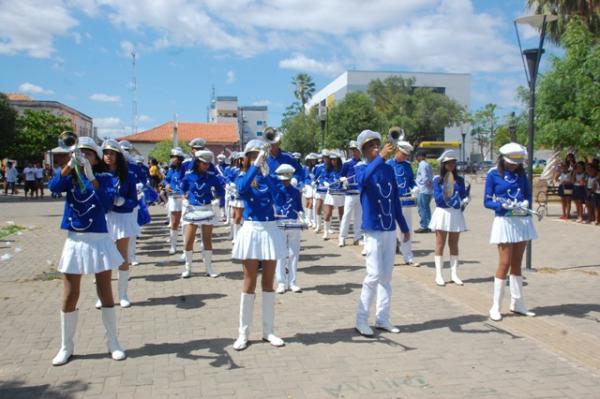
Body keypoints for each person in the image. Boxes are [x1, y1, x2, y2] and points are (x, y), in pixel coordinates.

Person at [48, 137, 126, 365]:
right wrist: (69, 166)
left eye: (88, 154)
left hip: (98, 238)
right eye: (80, 153)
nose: (84, 157)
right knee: (71, 293)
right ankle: (66, 346)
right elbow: (53, 187)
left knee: (105, 291)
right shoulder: (70, 179)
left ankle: (113, 341)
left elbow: (106, 202)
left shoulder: (104, 178)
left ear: (96, 158)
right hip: (75, 239)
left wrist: (91, 176)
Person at [231, 139, 287, 351]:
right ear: (247, 158)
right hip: (252, 229)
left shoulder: (268, 177)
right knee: (249, 281)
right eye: (253, 155)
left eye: (260, 155)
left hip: (270, 229)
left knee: (268, 281)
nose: (258, 158)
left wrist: (267, 173)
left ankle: (268, 331)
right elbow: (242, 190)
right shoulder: (243, 176)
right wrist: (255, 168)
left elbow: (280, 199)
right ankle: (243, 333)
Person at [354, 130, 410, 337]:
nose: (375, 149)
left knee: (386, 277)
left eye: (376, 145)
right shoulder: (362, 168)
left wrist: (403, 227)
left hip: (388, 228)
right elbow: (364, 180)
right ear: (364, 151)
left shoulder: (387, 170)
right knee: (373, 275)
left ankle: (382, 318)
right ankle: (361, 319)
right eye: (370, 147)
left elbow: (395, 200)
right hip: (372, 229)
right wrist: (380, 158)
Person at [484, 142, 537, 321]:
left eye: (517, 163)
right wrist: (501, 205)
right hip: (504, 221)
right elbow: (487, 201)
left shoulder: (522, 174)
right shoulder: (493, 174)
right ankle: (496, 306)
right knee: (504, 262)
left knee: (517, 262)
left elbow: (528, 194)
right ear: (503, 160)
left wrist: (526, 204)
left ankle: (518, 303)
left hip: (521, 220)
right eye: (511, 163)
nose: (514, 166)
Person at [97, 139, 139, 309]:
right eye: (106, 153)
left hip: (122, 218)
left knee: (122, 256)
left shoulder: (128, 176)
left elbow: (134, 201)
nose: (108, 157)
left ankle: (123, 294)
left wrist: (123, 202)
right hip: (103, 217)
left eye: (112, 154)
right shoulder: (97, 174)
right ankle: (103, 295)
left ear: (118, 156)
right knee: (103, 257)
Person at [180, 150, 224, 278]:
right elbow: (182, 188)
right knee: (188, 241)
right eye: (203, 163)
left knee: (207, 240)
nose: (206, 165)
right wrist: (184, 199)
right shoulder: (188, 175)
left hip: (206, 208)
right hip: (192, 209)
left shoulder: (211, 176)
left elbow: (220, 190)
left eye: (207, 163)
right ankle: (188, 269)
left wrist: (217, 199)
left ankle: (209, 268)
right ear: (197, 162)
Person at [429, 150, 469, 286]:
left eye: (453, 162)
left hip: (455, 213)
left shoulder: (460, 180)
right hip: (443, 213)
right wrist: (451, 199)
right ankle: (439, 274)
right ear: (443, 164)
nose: (451, 165)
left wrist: (465, 199)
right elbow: (438, 199)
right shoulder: (437, 180)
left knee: (454, 244)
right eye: (448, 163)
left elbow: (463, 194)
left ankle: (454, 274)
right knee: (440, 243)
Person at [386, 136, 420, 266]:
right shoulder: (388, 164)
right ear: (397, 151)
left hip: (405, 199)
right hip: (391, 200)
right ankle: (390, 258)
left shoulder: (407, 166)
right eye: (403, 154)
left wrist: (415, 187)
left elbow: (411, 181)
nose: (405, 157)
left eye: (406, 155)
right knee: (391, 229)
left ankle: (408, 256)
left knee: (407, 228)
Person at [273, 164, 304, 294]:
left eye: (287, 178)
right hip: (279, 223)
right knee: (280, 254)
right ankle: (281, 282)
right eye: (282, 178)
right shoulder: (275, 190)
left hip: (293, 223)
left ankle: (292, 282)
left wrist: (302, 215)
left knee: (293, 254)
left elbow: (299, 207)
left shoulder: (296, 191)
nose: (285, 181)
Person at [338, 141, 363, 247]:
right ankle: (342, 237)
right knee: (346, 215)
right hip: (350, 193)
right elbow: (341, 176)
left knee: (359, 216)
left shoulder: (364, 163)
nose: (354, 152)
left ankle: (357, 237)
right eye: (352, 150)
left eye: (356, 150)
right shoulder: (347, 163)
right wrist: (343, 180)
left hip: (360, 193)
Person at [163, 148, 186, 254]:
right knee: (175, 222)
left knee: (185, 222)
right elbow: (166, 179)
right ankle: (173, 245)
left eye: (174, 157)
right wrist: (166, 184)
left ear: (180, 158)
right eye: (171, 157)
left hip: (184, 197)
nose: (172, 159)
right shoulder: (171, 169)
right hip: (173, 197)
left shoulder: (185, 168)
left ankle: (186, 247)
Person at [321, 150, 345, 240]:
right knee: (327, 213)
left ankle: (341, 232)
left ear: (338, 160)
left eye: (335, 160)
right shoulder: (328, 169)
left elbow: (347, 177)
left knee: (341, 213)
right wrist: (325, 183)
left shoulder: (342, 168)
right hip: (330, 192)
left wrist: (344, 180)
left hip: (340, 192)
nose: (333, 161)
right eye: (332, 160)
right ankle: (326, 232)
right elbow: (322, 178)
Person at [415, 151, 433, 233]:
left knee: (422, 208)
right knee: (426, 208)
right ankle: (429, 225)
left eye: (417, 156)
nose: (416, 158)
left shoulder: (422, 164)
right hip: (428, 190)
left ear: (421, 156)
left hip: (423, 189)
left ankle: (424, 226)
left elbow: (425, 177)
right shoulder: (427, 164)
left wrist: (427, 184)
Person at [312, 150, 330, 233]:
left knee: (328, 210)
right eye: (325, 157)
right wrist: (315, 182)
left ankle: (328, 227)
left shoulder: (332, 167)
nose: (326, 159)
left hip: (328, 190)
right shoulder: (319, 167)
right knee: (318, 207)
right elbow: (315, 177)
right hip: (319, 189)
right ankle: (318, 225)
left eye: (327, 157)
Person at [301, 153, 318, 228]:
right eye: (312, 160)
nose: (313, 161)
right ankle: (308, 219)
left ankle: (311, 219)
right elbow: (304, 177)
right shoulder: (305, 168)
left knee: (312, 203)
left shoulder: (317, 167)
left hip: (314, 186)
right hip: (307, 185)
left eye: (314, 160)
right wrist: (303, 186)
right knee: (309, 202)